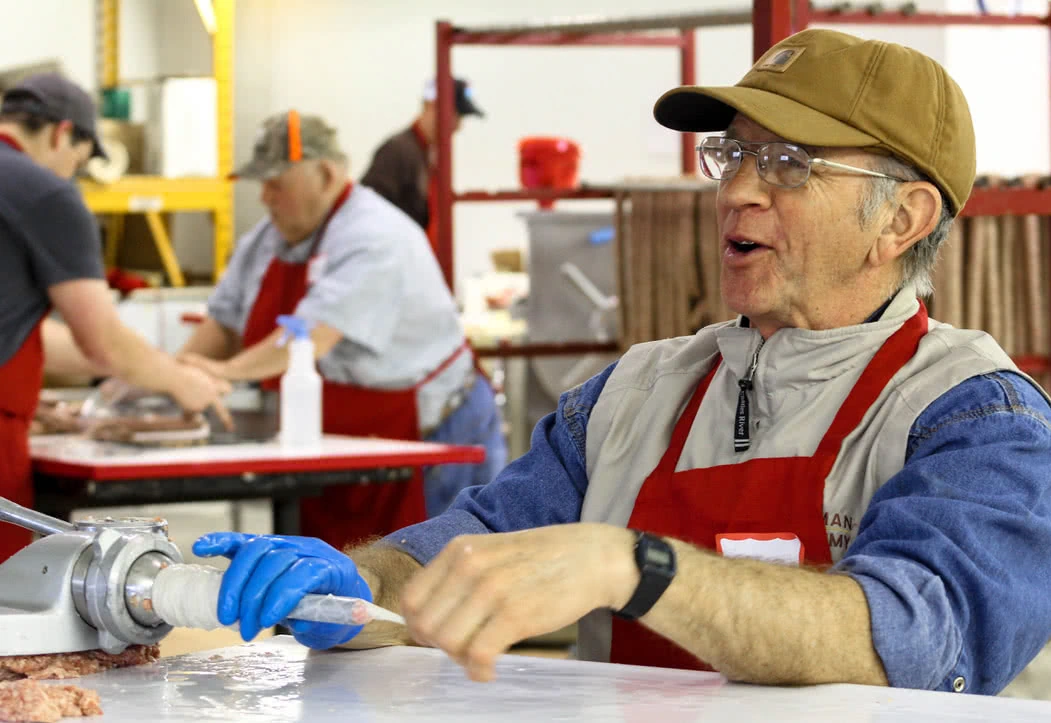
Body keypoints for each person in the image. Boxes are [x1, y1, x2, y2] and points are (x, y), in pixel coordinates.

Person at [193, 29, 1051, 696]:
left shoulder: (974, 415)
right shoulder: (634, 390)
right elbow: (474, 546)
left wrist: (630, 565)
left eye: (788, 163)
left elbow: (911, 637)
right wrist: (354, 586)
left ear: (900, 219)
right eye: (735, 153)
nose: (738, 190)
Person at [178, 110, 506, 551]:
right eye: (262, 184)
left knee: (434, 584)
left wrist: (222, 374)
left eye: (278, 183)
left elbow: (309, 338)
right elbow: (223, 321)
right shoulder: (267, 239)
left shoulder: (375, 235)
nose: (265, 197)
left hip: (433, 436)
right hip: (341, 446)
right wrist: (174, 375)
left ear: (326, 174)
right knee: (339, 590)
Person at [0, 72, 232, 562]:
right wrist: (181, 382)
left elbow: (22, 324)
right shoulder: (44, 193)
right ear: (64, 133)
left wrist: (28, 388)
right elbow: (101, 341)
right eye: (78, 164)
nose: (70, 176)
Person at [360, 78, 484, 253]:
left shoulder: (426, 152)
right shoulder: (398, 151)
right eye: (457, 115)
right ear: (431, 106)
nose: (459, 126)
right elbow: (366, 212)